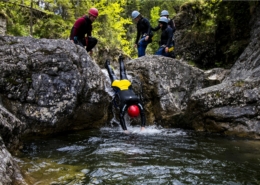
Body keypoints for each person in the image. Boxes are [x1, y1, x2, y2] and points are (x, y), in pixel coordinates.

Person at [105, 56, 146, 133]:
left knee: (123, 73)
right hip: (118, 86)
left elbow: (142, 113)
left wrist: (143, 126)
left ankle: (117, 61)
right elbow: (121, 116)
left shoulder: (137, 101)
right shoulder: (125, 103)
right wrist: (125, 130)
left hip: (126, 85)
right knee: (112, 75)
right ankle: (108, 64)